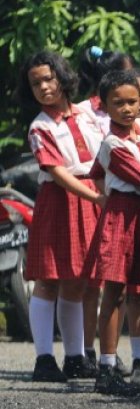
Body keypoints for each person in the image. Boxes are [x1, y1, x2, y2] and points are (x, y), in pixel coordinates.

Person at [84, 70, 140, 396]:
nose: (127, 108)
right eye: (118, 103)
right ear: (104, 106)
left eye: (132, 101)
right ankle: (107, 367)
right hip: (123, 214)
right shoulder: (111, 143)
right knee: (115, 291)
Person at [14, 50, 104, 382]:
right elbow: (57, 171)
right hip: (61, 199)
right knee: (49, 280)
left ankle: (76, 356)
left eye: (48, 78)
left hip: (91, 197)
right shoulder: (40, 127)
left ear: (62, 77)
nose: (43, 87)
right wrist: (96, 196)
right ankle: (43, 359)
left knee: (77, 282)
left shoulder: (89, 113)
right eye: (35, 83)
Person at [77, 46, 135, 373]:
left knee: (119, 283)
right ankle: (87, 350)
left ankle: (110, 351)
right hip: (95, 194)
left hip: (122, 199)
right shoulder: (82, 112)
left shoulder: (132, 116)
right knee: (92, 282)